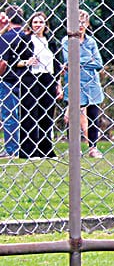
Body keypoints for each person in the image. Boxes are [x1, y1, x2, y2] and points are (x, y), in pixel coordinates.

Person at [16, 11, 63, 159]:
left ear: (45, 25)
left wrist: (58, 83)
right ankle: (29, 150)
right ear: (30, 24)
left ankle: (45, 149)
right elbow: (14, 61)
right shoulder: (25, 39)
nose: (38, 25)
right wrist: (26, 62)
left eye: (41, 22)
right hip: (31, 78)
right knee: (30, 114)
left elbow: (56, 64)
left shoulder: (50, 41)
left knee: (46, 114)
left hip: (47, 78)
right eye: (35, 22)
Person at [62, 11, 106, 159]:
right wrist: (86, 61)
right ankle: (74, 148)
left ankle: (93, 147)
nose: (80, 26)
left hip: (91, 84)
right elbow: (69, 61)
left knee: (93, 115)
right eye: (77, 22)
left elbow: (98, 63)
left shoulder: (91, 42)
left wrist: (79, 62)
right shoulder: (66, 41)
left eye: (83, 22)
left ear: (87, 24)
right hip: (74, 83)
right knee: (72, 117)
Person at [0, 7, 29, 158]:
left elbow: (3, 62)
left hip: (8, 80)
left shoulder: (6, 38)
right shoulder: (26, 36)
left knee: (9, 115)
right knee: (25, 114)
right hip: (27, 81)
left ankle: (11, 149)